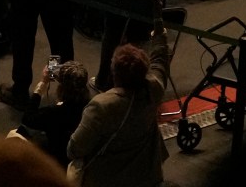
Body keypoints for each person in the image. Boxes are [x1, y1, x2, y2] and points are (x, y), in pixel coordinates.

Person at [65, 28, 175, 187]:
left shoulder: (101, 105)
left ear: (115, 72)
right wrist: (159, 31)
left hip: (109, 179)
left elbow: (74, 149)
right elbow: (160, 61)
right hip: (147, 176)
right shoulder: (153, 88)